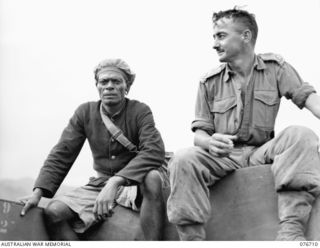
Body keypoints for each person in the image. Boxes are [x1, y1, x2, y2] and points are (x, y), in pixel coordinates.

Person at [167, 7, 320, 241]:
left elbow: (309, 99)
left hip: (262, 151)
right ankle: (192, 240)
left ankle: (291, 232)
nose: (214, 44)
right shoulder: (208, 81)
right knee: (183, 157)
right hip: (223, 157)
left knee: (301, 134)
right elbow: (200, 133)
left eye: (221, 36)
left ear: (245, 36)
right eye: (214, 37)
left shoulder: (275, 68)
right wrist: (210, 142)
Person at [20, 58, 166, 240]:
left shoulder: (140, 110)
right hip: (100, 184)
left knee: (152, 178)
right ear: (97, 85)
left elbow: (154, 150)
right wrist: (38, 193)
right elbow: (62, 154)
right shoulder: (84, 112)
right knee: (54, 212)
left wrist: (116, 182)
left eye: (116, 81)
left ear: (126, 86)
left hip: (134, 184)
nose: (109, 86)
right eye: (104, 82)